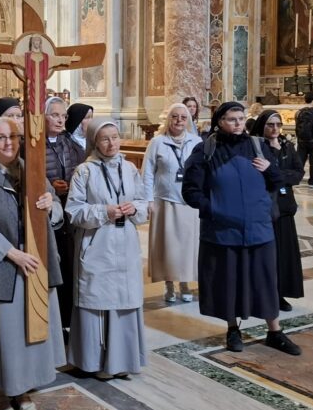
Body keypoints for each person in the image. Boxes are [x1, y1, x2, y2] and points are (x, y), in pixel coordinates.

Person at [0, 117, 66, 410]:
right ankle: (0, 391)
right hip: (2, 266)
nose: (9, 143)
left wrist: (52, 206)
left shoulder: (34, 172)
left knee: (29, 331)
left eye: (14, 137)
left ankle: (24, 387)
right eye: (1, 138)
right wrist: (11, 253)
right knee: (3, 334)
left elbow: (56, 213)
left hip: (36, 263)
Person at [182, 102, 301, 356]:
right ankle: (232, 329)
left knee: (265, 281)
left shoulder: (257, 146)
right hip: (223, 231)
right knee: (229, 281)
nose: (238, 123)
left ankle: (275, 331)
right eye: (232, 119)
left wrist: (270, 169)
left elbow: (280, 183)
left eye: (241, 118)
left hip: (259, 228)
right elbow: (190, 191)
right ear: (219, 121)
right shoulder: (206, 150)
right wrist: (214, 209)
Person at [66, 119, 148, 380]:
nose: (111, 143)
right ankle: (96, 362)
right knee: (97, 302)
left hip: (125, 244)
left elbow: (145, 203)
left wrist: (135, 209)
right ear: (94, 141)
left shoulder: (129, 169)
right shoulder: (84, 171)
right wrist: (105, 211)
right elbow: (74, 211)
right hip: (97, 245)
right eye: (105, 138)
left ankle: (122, 361)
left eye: (115, 137)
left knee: (125, 301)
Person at [143, 103, 202, 303]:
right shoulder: (157, 142)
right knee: (167, 246)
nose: (178, 121)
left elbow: (201, 171)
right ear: (169, 119)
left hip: (189, 202)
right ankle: (168, 283)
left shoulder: (196, 141)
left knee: (187, 246)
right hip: (164, 201)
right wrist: (148, 199)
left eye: (183, 118)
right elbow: (148, 172)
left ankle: (185, 283)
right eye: (175, 117)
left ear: (188, 121)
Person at [251, 111, 305, 311]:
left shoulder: (287, 146)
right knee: (267, 253)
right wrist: (281, 175)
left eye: (278, 125)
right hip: (265, 207)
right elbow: (260, 176)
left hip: (285, 207)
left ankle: (281, 292)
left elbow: (298, 174)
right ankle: (263, 292)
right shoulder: (257, 148)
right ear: (262, 126)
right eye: (270, 125)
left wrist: (276, 173)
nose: (275, 129)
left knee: (284, 254)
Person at [43, 96, 85, 330]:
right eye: (55, 115)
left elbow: (79, 170)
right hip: (48, 214)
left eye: (63, 116)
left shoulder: (69, 144)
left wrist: (72, 183)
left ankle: (68, 321)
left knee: (69, 265)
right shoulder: (35, 144)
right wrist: (50, 184)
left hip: (69, 212)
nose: (60, 120)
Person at [295, 92, 313, 188]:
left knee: (300, 162)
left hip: (302, 141)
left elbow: (297, 127)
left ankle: (296, 180)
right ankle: (312, 182)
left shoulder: (298, 112)